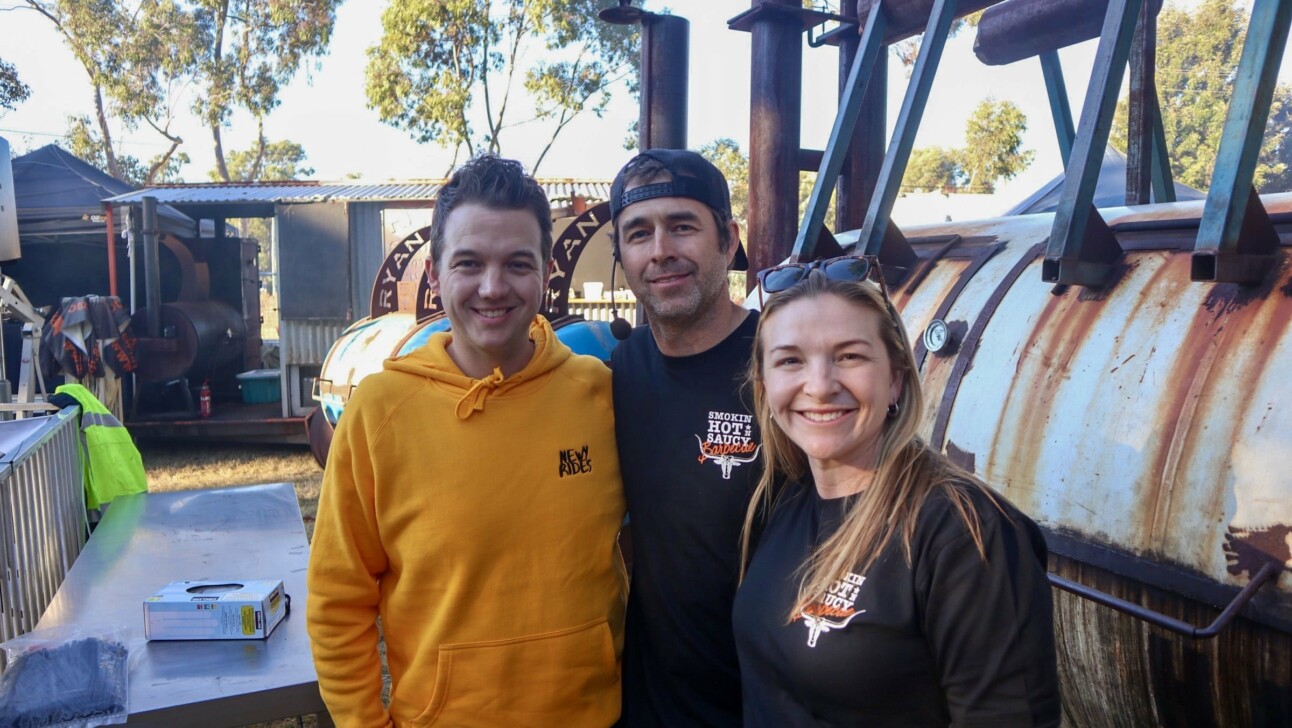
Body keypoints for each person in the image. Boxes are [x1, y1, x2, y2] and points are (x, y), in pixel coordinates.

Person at [307, 154, 627, 728]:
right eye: (469, 263)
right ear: (434, 274)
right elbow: (338, 599)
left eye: (517, 263)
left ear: (547, 271)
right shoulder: (380, 412)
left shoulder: (599, 395)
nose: (493, 287)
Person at [733, 259, 1061, 727]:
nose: (820, 386)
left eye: (849, 356)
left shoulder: (965, 532)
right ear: (765, 389)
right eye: (790, 360)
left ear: (897, 379)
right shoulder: (782, 500)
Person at [609, 149, 758, 727]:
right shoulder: (618, 373)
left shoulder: (789, 366)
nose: (660, 250)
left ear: (728, 238)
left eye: (682, 226)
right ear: (622, 256)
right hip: (654, 705)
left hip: (773, 705)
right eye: (638, 233)